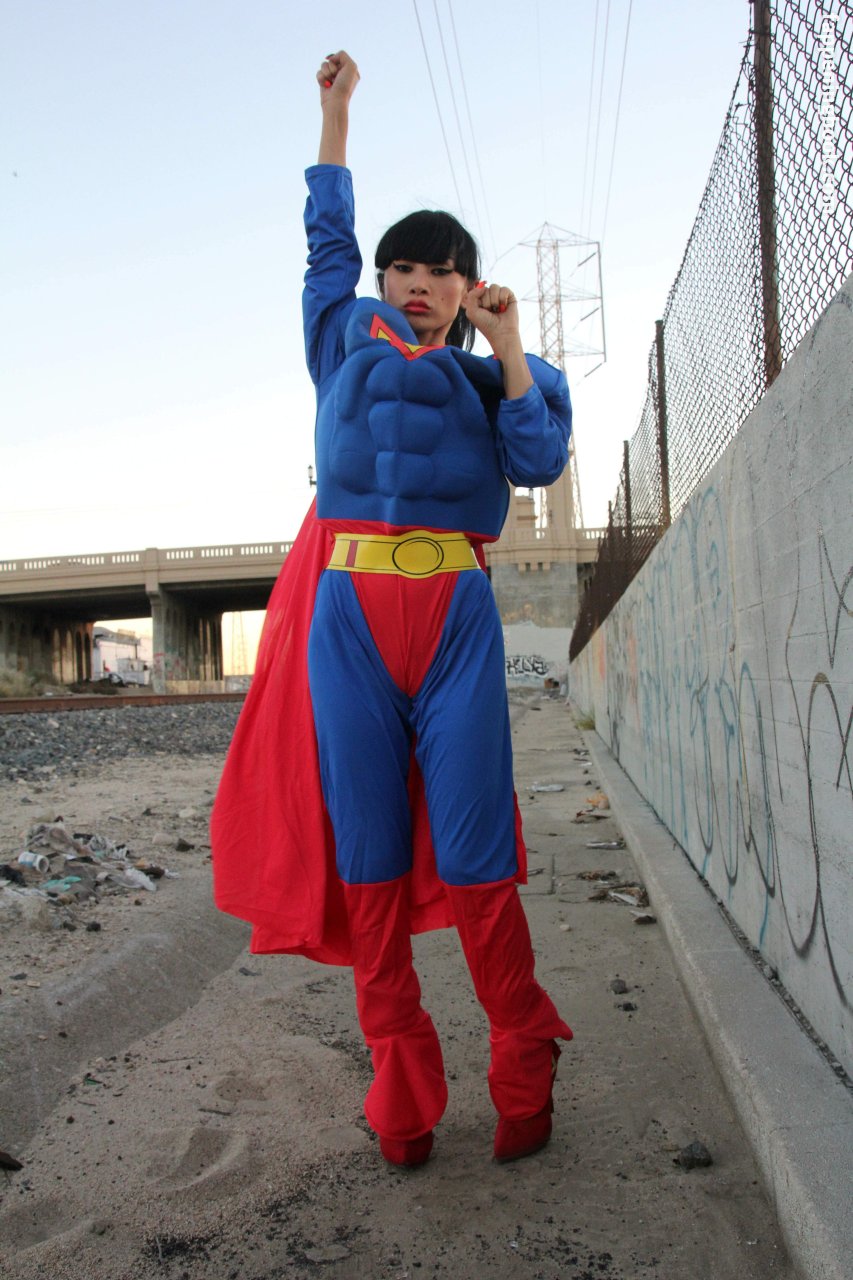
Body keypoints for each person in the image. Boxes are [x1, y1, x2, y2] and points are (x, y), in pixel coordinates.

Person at [212, 49, 573, 1169]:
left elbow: (538, 460)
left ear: (469, 289)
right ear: (382, 278)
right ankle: (401, 1089)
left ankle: (523, 1057)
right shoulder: (338, 343)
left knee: (476, 856)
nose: (417, 282)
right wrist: (335, 113)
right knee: (367, 857)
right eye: (402, 267)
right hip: (349, 620)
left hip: (455, 617)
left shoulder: (497, 378)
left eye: (440, 271)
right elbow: (324, 235)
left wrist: (509, 347)